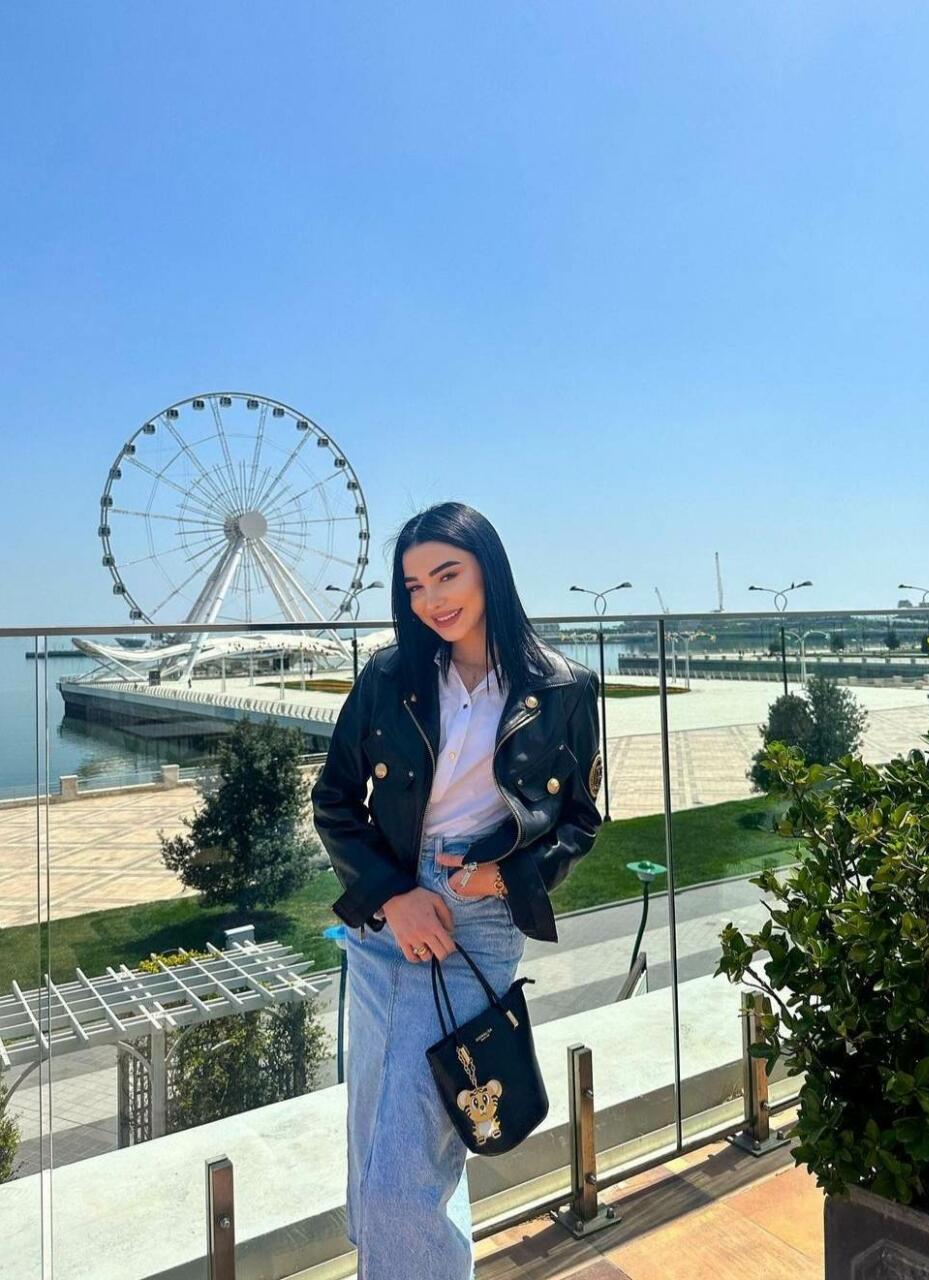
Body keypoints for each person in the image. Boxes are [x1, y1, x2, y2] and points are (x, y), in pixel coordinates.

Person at [312, 502, 603, 1280]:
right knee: (381, 1142)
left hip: (478, 922)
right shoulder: (390, 678)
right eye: (414, 586)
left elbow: (580, 820)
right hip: (385, 922)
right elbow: (333, 799)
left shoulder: (565, 688)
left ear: (488, 570)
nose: (432, 600)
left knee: (405, 1166)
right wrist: (392, 896)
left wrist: (506, 875)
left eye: (447, 575)